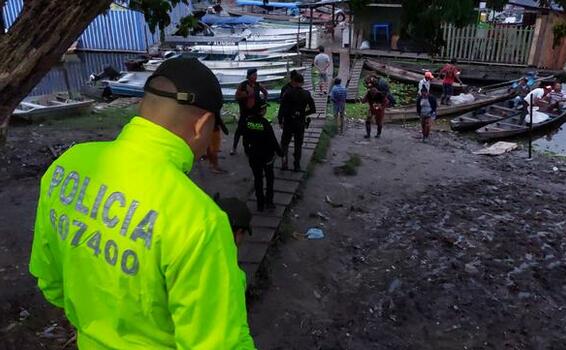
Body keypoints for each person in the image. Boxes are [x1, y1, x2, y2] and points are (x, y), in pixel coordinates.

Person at [29, 57, 255, 349]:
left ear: (142, 108)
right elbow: (219, 343)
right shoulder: (200, 220)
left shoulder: (67, 166)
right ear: (201, 125)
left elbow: (50, 282)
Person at [243, 101, 283, 212]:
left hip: (254, 156)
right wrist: (280, 152)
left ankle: (260, 204)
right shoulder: (265, 123)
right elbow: (273, 141)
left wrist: (247, 151)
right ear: (261, 111)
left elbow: (245, 139)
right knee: (269, 179)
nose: (266, 110)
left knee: (258, 179)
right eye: (265, 109)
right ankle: (269, 202)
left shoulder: (248, 122)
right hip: (267, 157)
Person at [279, 73, 316, 171]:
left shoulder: (287, 92)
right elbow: (313, 109)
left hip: (288, 122)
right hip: (300, 123)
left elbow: (282, 108)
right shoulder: (306, 94)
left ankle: (284, 163)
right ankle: (297, 165)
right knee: (298, 144)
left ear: (294, 81)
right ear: (302, 83)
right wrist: (303, 114)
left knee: (285, 143)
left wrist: (280, 120)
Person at [232, 68, 268, 155]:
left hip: (255, 112)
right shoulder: (243, 85)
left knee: (253, 130)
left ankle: (251, 148)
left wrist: (263, 103)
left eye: (256, 75)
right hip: (245, 111)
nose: (256, 77)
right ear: (249, 76)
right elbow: (236, 97)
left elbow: (265, 93)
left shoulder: (257, 85)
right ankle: (234, 147)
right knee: (239, 130)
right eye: (254, 75)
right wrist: (247, 94)